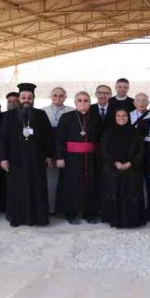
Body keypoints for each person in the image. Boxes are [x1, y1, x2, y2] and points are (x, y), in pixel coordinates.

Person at [0, 83, 53, 227]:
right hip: (16, 159)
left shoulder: (41, 115)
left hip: (36, 159)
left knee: (37, 187)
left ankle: (38, 217)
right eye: (23, 97)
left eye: (29, 97)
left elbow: (49, 137)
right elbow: (3, 138)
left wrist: (48, 155)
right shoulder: (9, 116)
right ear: (19, 98)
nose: (26, 100)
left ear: (33, 99)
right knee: (17, 188)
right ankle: (17, 217)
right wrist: (3, 158)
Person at [55, 92, 102, 224]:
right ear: (75, 103)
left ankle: (90, 213)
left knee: (91, 185)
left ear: (90, 102)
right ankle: (71, 213)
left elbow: (100, 139)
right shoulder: (66, 117)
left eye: (86, 100)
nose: (83, 103)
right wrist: (59, 157)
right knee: (72, 186)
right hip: (71, 158)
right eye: (80, 100)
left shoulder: (96, 118)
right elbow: (59, 138)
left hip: (91, 158)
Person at [100, 109, 146, 228]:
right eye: (118, 115)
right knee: (115, 193)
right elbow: (104, 151)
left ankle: (132, 221)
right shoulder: (108, 133)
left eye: (124, 115)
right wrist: (115, 163)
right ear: (114, 117)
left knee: (131, 193)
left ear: (128, 117)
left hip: (132, 170)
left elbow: (141, 152)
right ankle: (115, 220)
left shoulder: (136, 132)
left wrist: (131, 163)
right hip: (113, 170)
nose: (121, 118)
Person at [42, 86, 74, 214]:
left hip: (67, 151)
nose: (58, 98)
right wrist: (47, 154)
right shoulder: (43, 112)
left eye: (61, 95)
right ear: (51, 96)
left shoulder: (71, 111)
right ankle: (50, 208)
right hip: (49, 150)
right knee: (50, 180)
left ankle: (64, 208)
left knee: (66, 181)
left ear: (65, 97)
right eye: (55, 95)